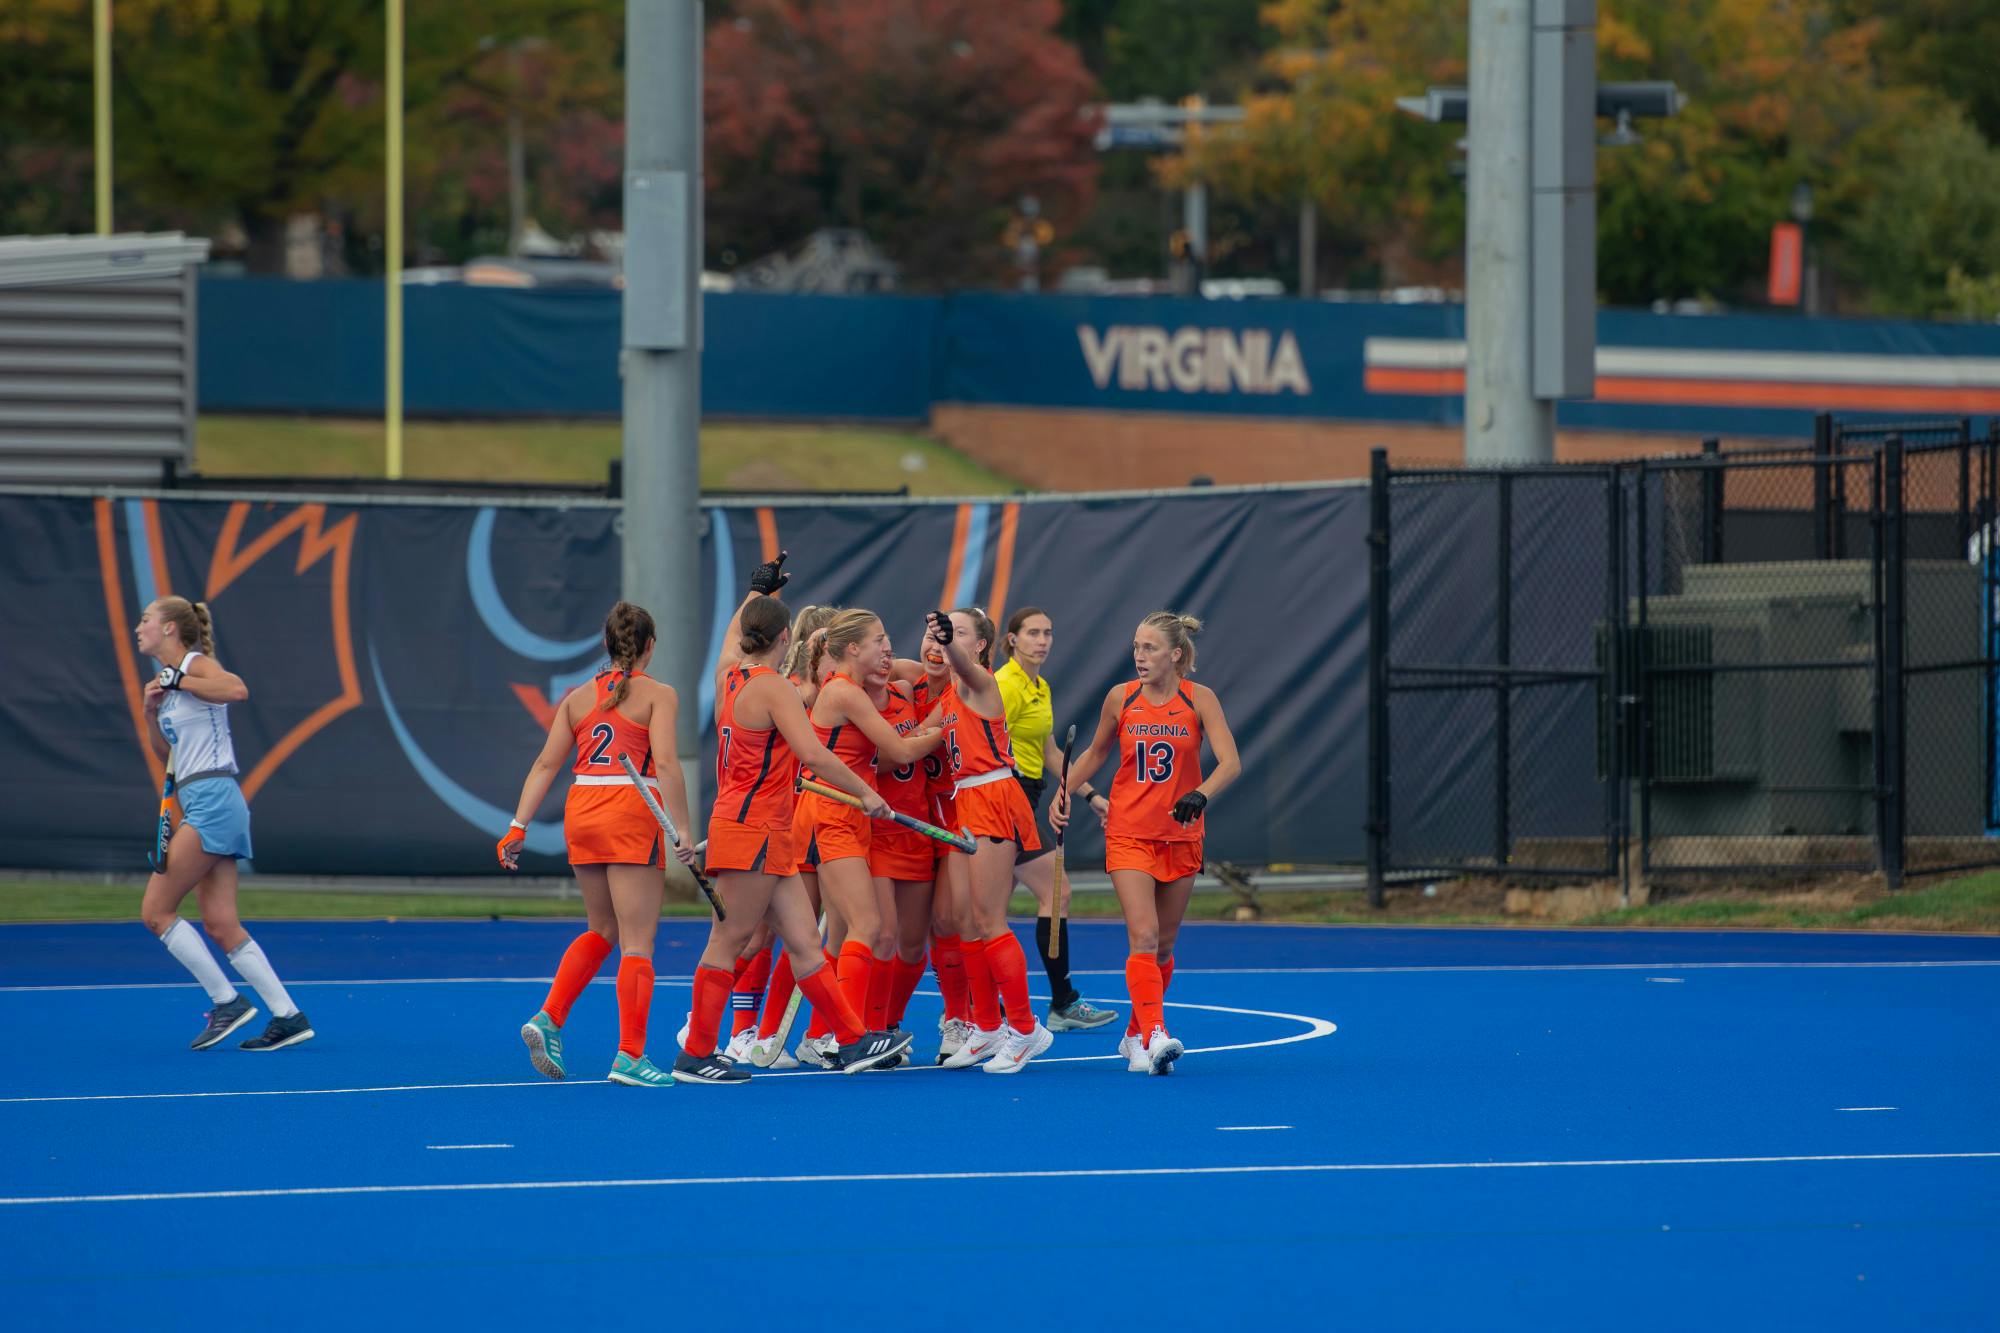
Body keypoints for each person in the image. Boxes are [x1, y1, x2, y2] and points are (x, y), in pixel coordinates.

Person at [676, 552, 912, 1082]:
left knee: (806, 944)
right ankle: (695, 1052)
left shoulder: (729, 678)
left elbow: (731, 641)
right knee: (729, 939)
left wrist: (759, 593)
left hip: (767, 829)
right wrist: (865, 793)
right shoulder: (773, 688)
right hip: (753, 827)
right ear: (786, 641)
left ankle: (850, 1041)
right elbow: (815, 755)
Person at [500, 602, 697, 1088]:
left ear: (606, 645)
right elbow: (668, 765)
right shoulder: (659, 695)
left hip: (583, 809)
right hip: (630, 810)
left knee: (602, 928)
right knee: (637, 941)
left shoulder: (577, 698)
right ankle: (630, 1055)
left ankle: (549, 1018)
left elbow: (546, 764)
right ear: (650, 646)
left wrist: (517, 825)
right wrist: (684, 831)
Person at [1055, 613, 1240, 1075]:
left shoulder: (1200, 700)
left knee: (1163, 947)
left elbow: (1230, 762)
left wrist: (1201, 794)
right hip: (1128, 832)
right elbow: (1097, 752)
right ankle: (1157, 1032)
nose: (1139, 656)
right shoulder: (1122, 698)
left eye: (1150, 648)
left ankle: (1134, 1035)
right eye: (1136, 647)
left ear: (1175, 654)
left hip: (1181, 837)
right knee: (1143, 934)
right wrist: (1065, 792)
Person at [135, 597, 314, 1052]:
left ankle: (226, 1002)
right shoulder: (168, 683)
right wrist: (150, 712)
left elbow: (237, 690)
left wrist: (180, 679)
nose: (139, 628)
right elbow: (167, 757)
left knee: (156, 912)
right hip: (201, 799)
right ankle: (288, 1016)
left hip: (215, 798)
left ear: (171, 629)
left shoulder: (196, 665)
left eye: (146, 620)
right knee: (219, 923)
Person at [924, 607, 1053, 1074]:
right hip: (965, 802)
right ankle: (986, 1025)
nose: (943, 641)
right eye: (942, 631)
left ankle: (1023, 1028)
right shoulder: (952, 696)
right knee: (966, 923)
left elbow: (958, 663)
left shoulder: (981, 683)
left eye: (958, 634)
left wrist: (947, 642)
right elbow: (912, 740)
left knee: (989, 920)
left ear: (979, 645)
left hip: (994, 796)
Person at [994, 607, 1118, 1033]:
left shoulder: (1039, 686)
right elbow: (986, 743)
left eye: (1048, 632)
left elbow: (1048, 751)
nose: (1042, 640)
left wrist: (1089, 794)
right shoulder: (1003, 685)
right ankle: (1061, 1000)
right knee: (1056, 891)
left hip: (1027, 796)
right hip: (1005, 798)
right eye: (1032, 633)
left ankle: (974, 1008)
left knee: (987, 912)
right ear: (1012, 640)